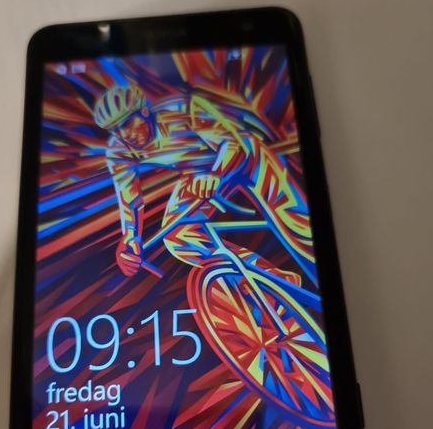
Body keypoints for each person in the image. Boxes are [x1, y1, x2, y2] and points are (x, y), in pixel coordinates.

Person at [93, 80, 307, 285]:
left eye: (127, 123)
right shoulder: (118, 150)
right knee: (178, 237)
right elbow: (129, 198)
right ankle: (272, 280)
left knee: (299, 225)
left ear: (144, 111)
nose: (125, 135)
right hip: (198, 174)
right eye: (116, 130)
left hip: (245, 156)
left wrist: (216, 174)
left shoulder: (182, 109)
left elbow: (232, 144)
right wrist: (131, 238)